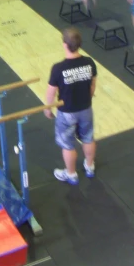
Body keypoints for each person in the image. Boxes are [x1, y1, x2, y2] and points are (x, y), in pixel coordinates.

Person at [44, 27, 97, 185]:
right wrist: (87, 98)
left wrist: (48, 108)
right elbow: (92, 86)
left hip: (67, 112)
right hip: (86, 108)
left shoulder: (58, 68)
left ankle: (71, 174)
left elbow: (51, 92)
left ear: (65, 44)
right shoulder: (89, 62)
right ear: (79, 45)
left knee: (67, 144)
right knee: (88, 138)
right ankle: (89, 167)